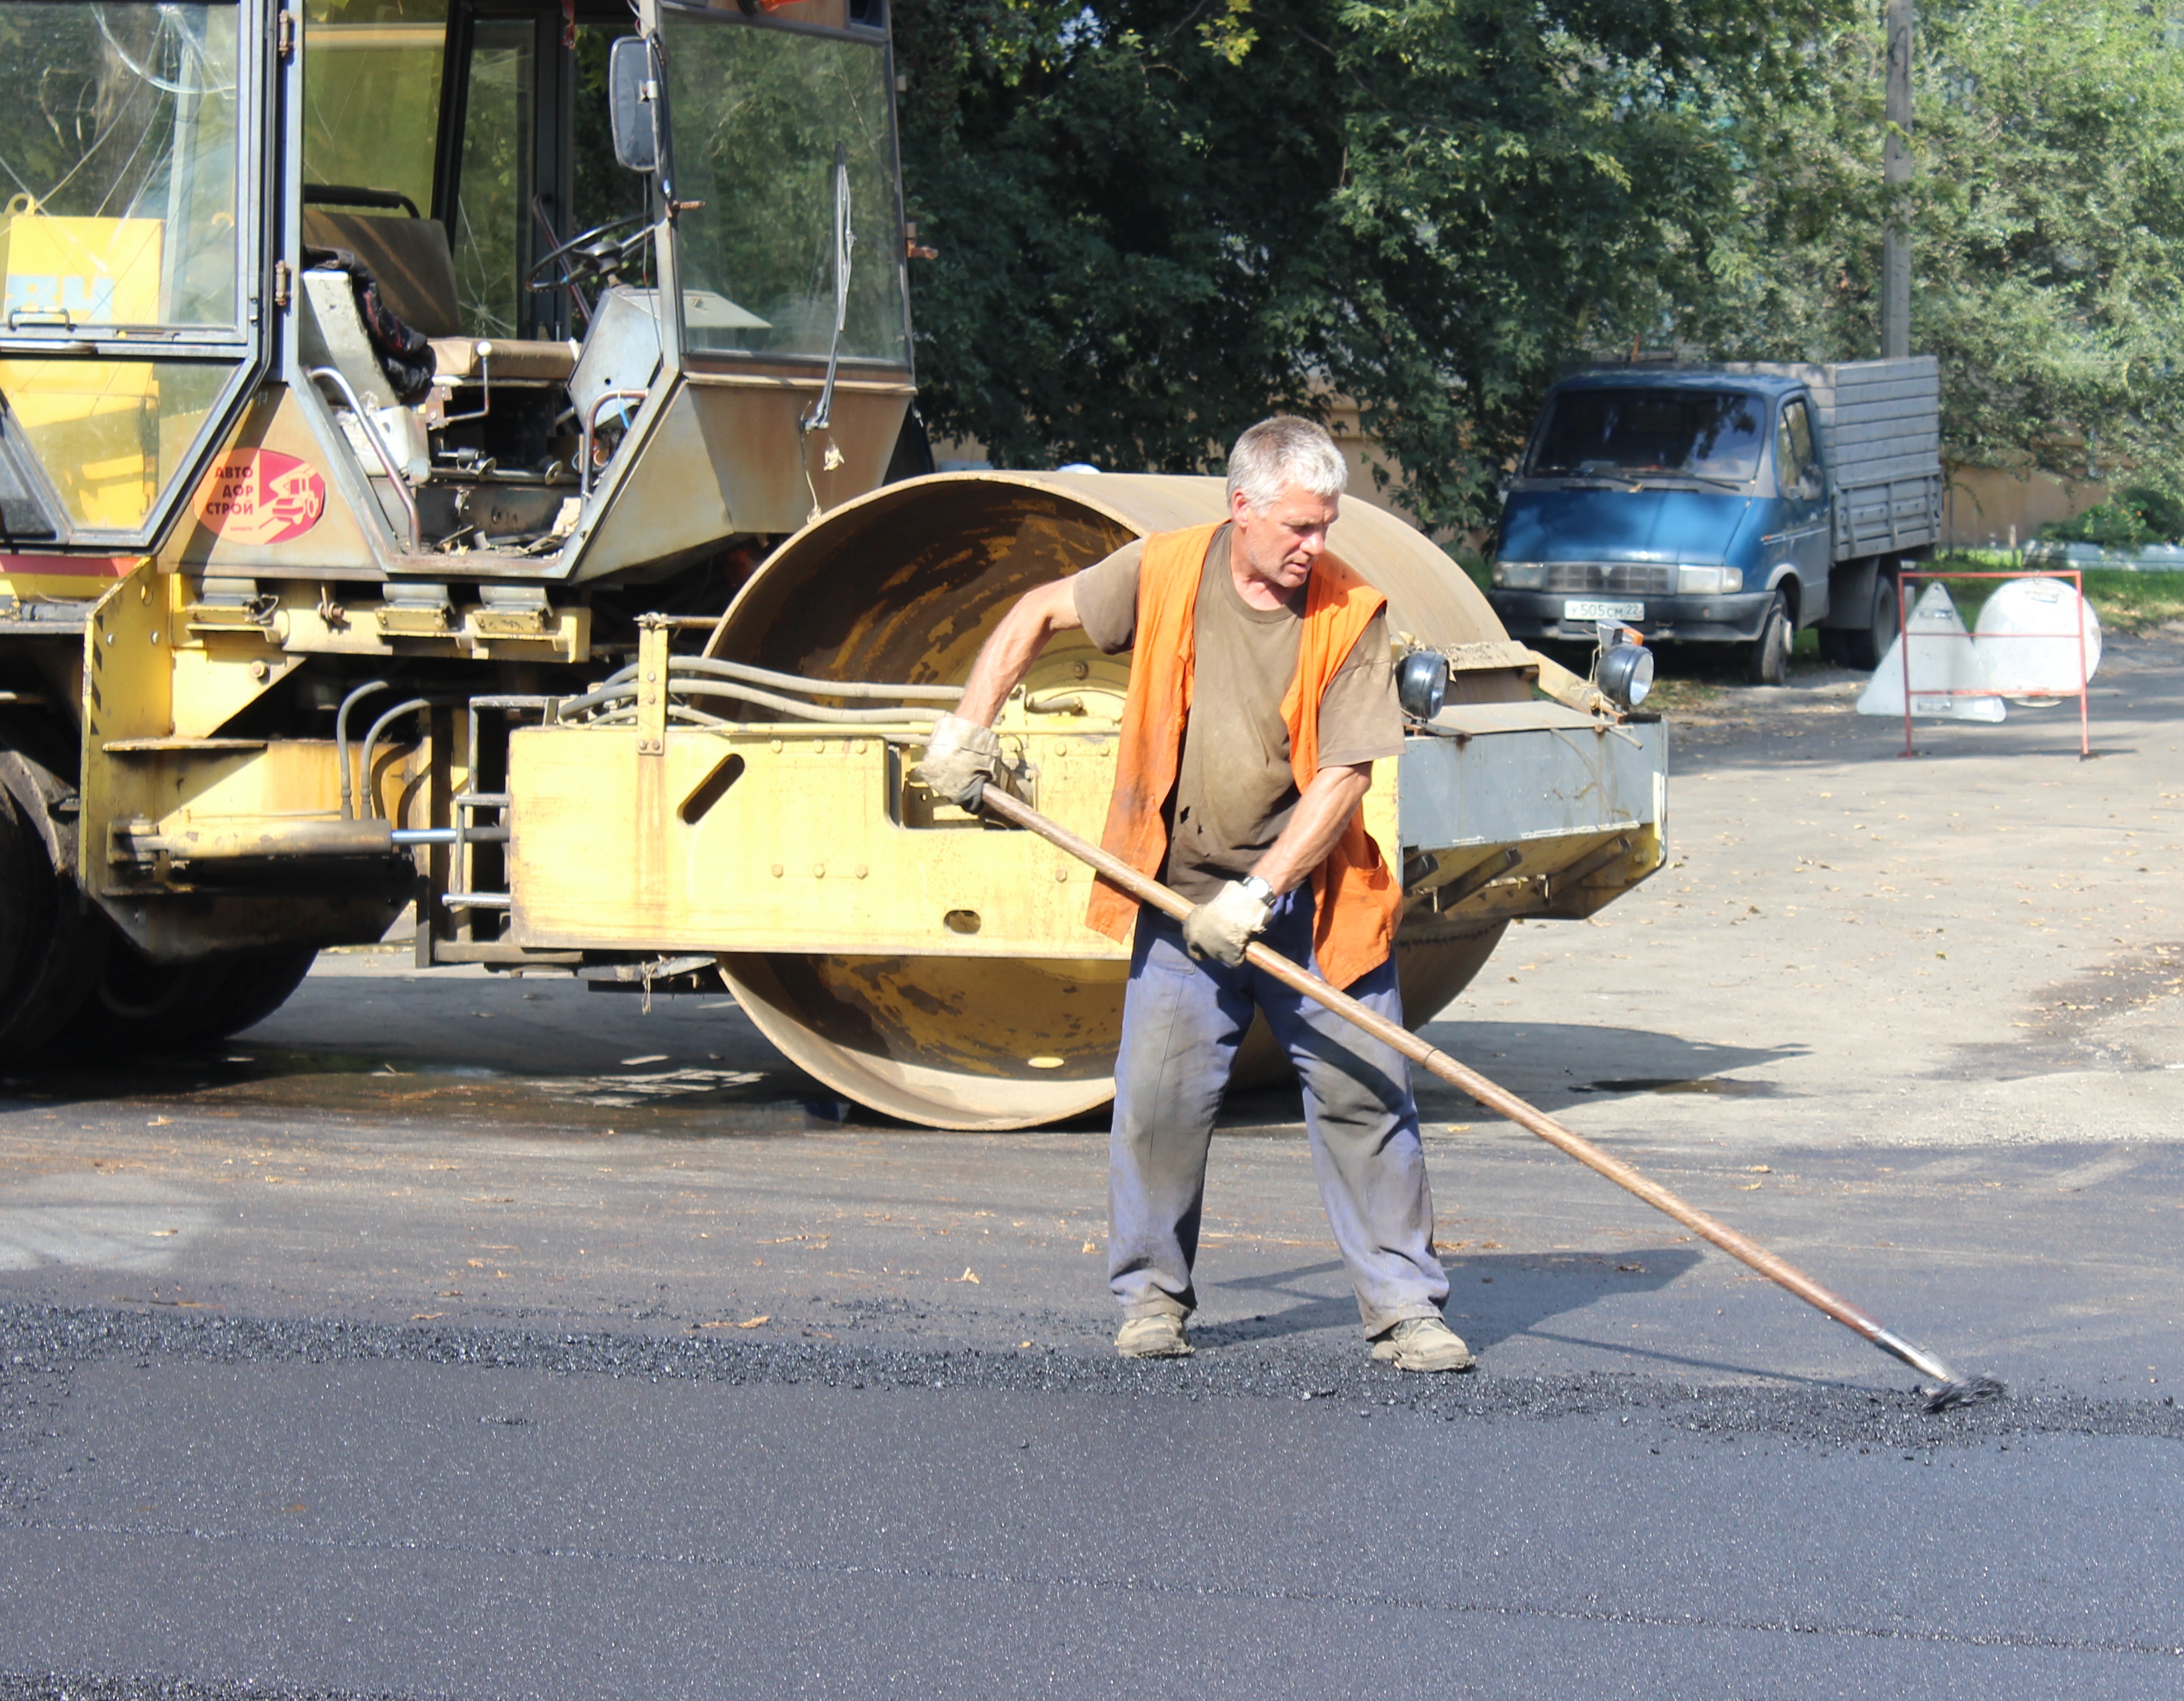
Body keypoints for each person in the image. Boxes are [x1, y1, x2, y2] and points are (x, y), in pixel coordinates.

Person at [912, 416, 1471, 1372]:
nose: (1316, 547)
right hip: (1177, 899)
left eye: (1327, 525)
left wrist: (1259, 893)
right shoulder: (1164, 571)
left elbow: (1343, 781)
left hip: (1313, 901)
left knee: (1366, 1100)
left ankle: (1406, 1307)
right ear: (1241, 507)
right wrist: (969, 729)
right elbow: (1031, 618)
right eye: (1299, 527)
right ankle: (1152, 1303)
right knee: (1159, 1105)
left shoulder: (1352, 613)